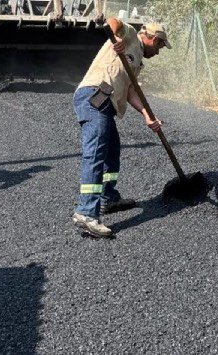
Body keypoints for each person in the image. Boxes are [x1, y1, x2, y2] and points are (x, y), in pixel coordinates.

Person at [71, 19, 170, 238]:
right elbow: (113, 22)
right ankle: (86, 212)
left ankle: (108, 198)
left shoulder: (137, 63)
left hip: (107, 104)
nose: (159, 52)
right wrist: (115, 38)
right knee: (95, 152)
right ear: (155, 39)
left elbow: (130, 91)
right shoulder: (131, 35)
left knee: (112, 152)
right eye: (160, 46)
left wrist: (147, 116)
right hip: (94, 95)